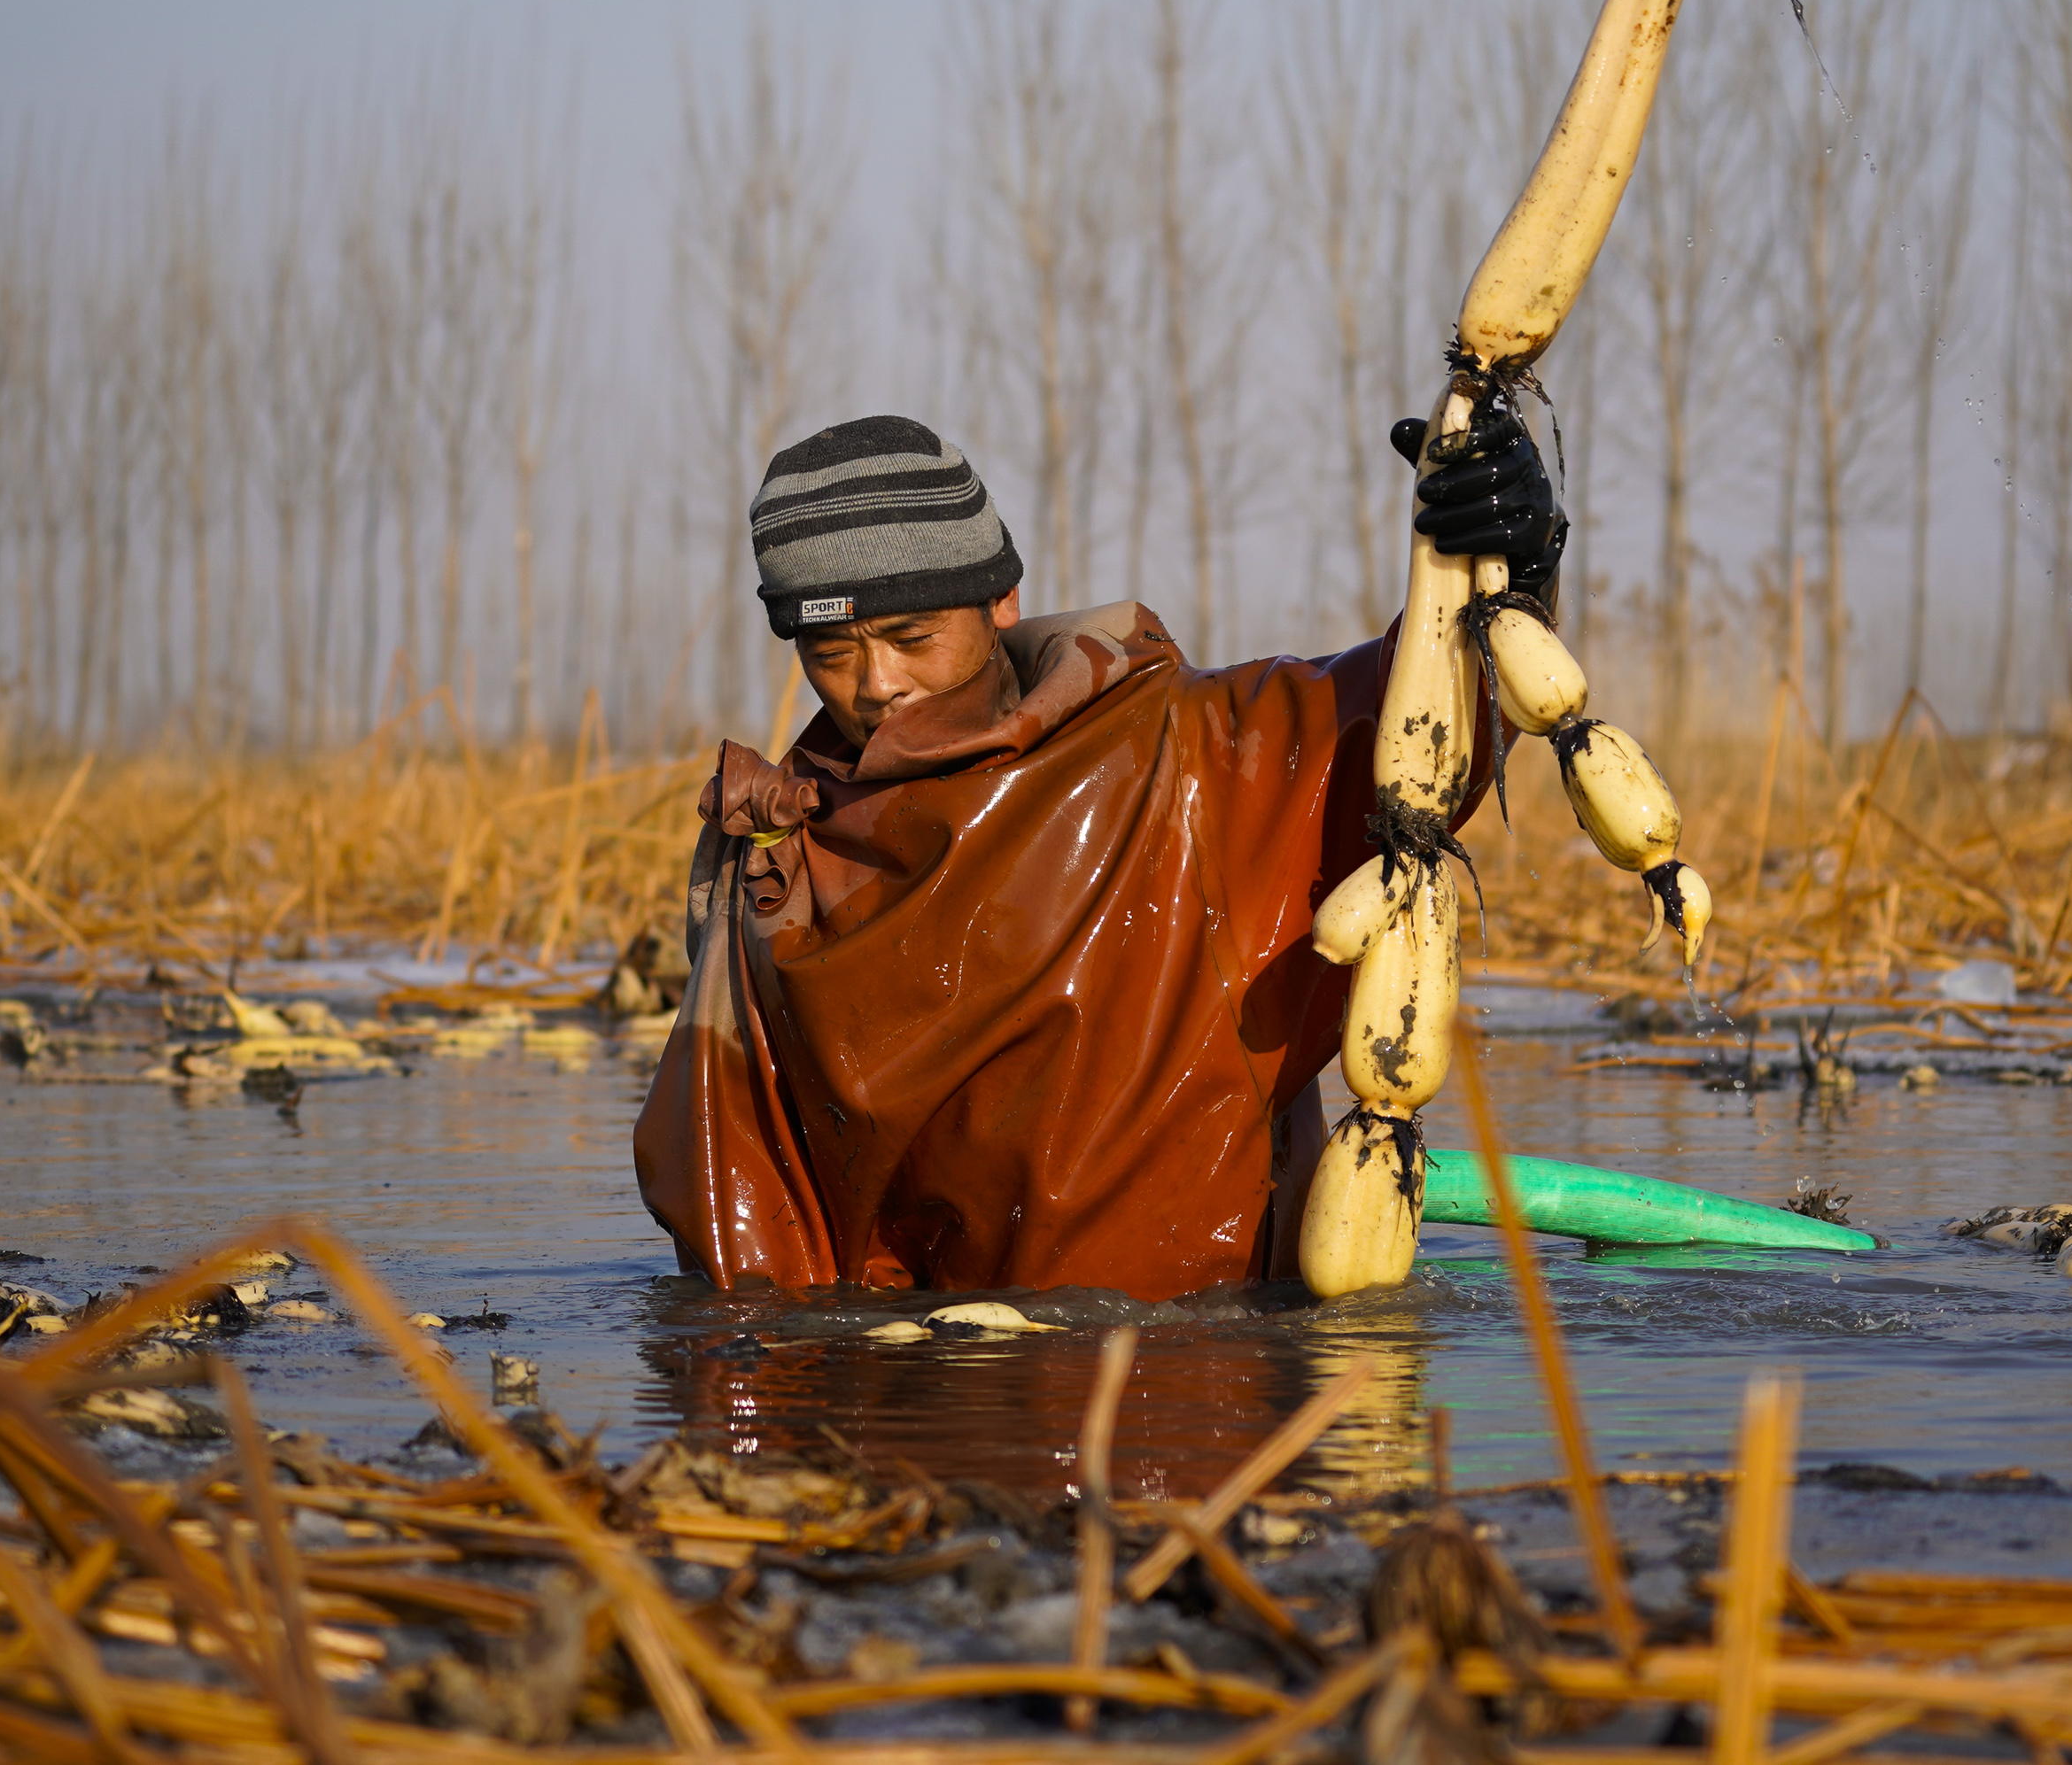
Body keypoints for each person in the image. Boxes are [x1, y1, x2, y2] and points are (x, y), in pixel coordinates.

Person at [633, 409, 1559, 1300]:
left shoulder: (1187, 753)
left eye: (913, 638)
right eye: (831, 651)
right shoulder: (775, 844)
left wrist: (1511, 569)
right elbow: (740, 1176)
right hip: (923, 1374)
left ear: (1003, 598)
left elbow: (1427, 734)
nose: (879, 685)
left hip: (1200, 1375)